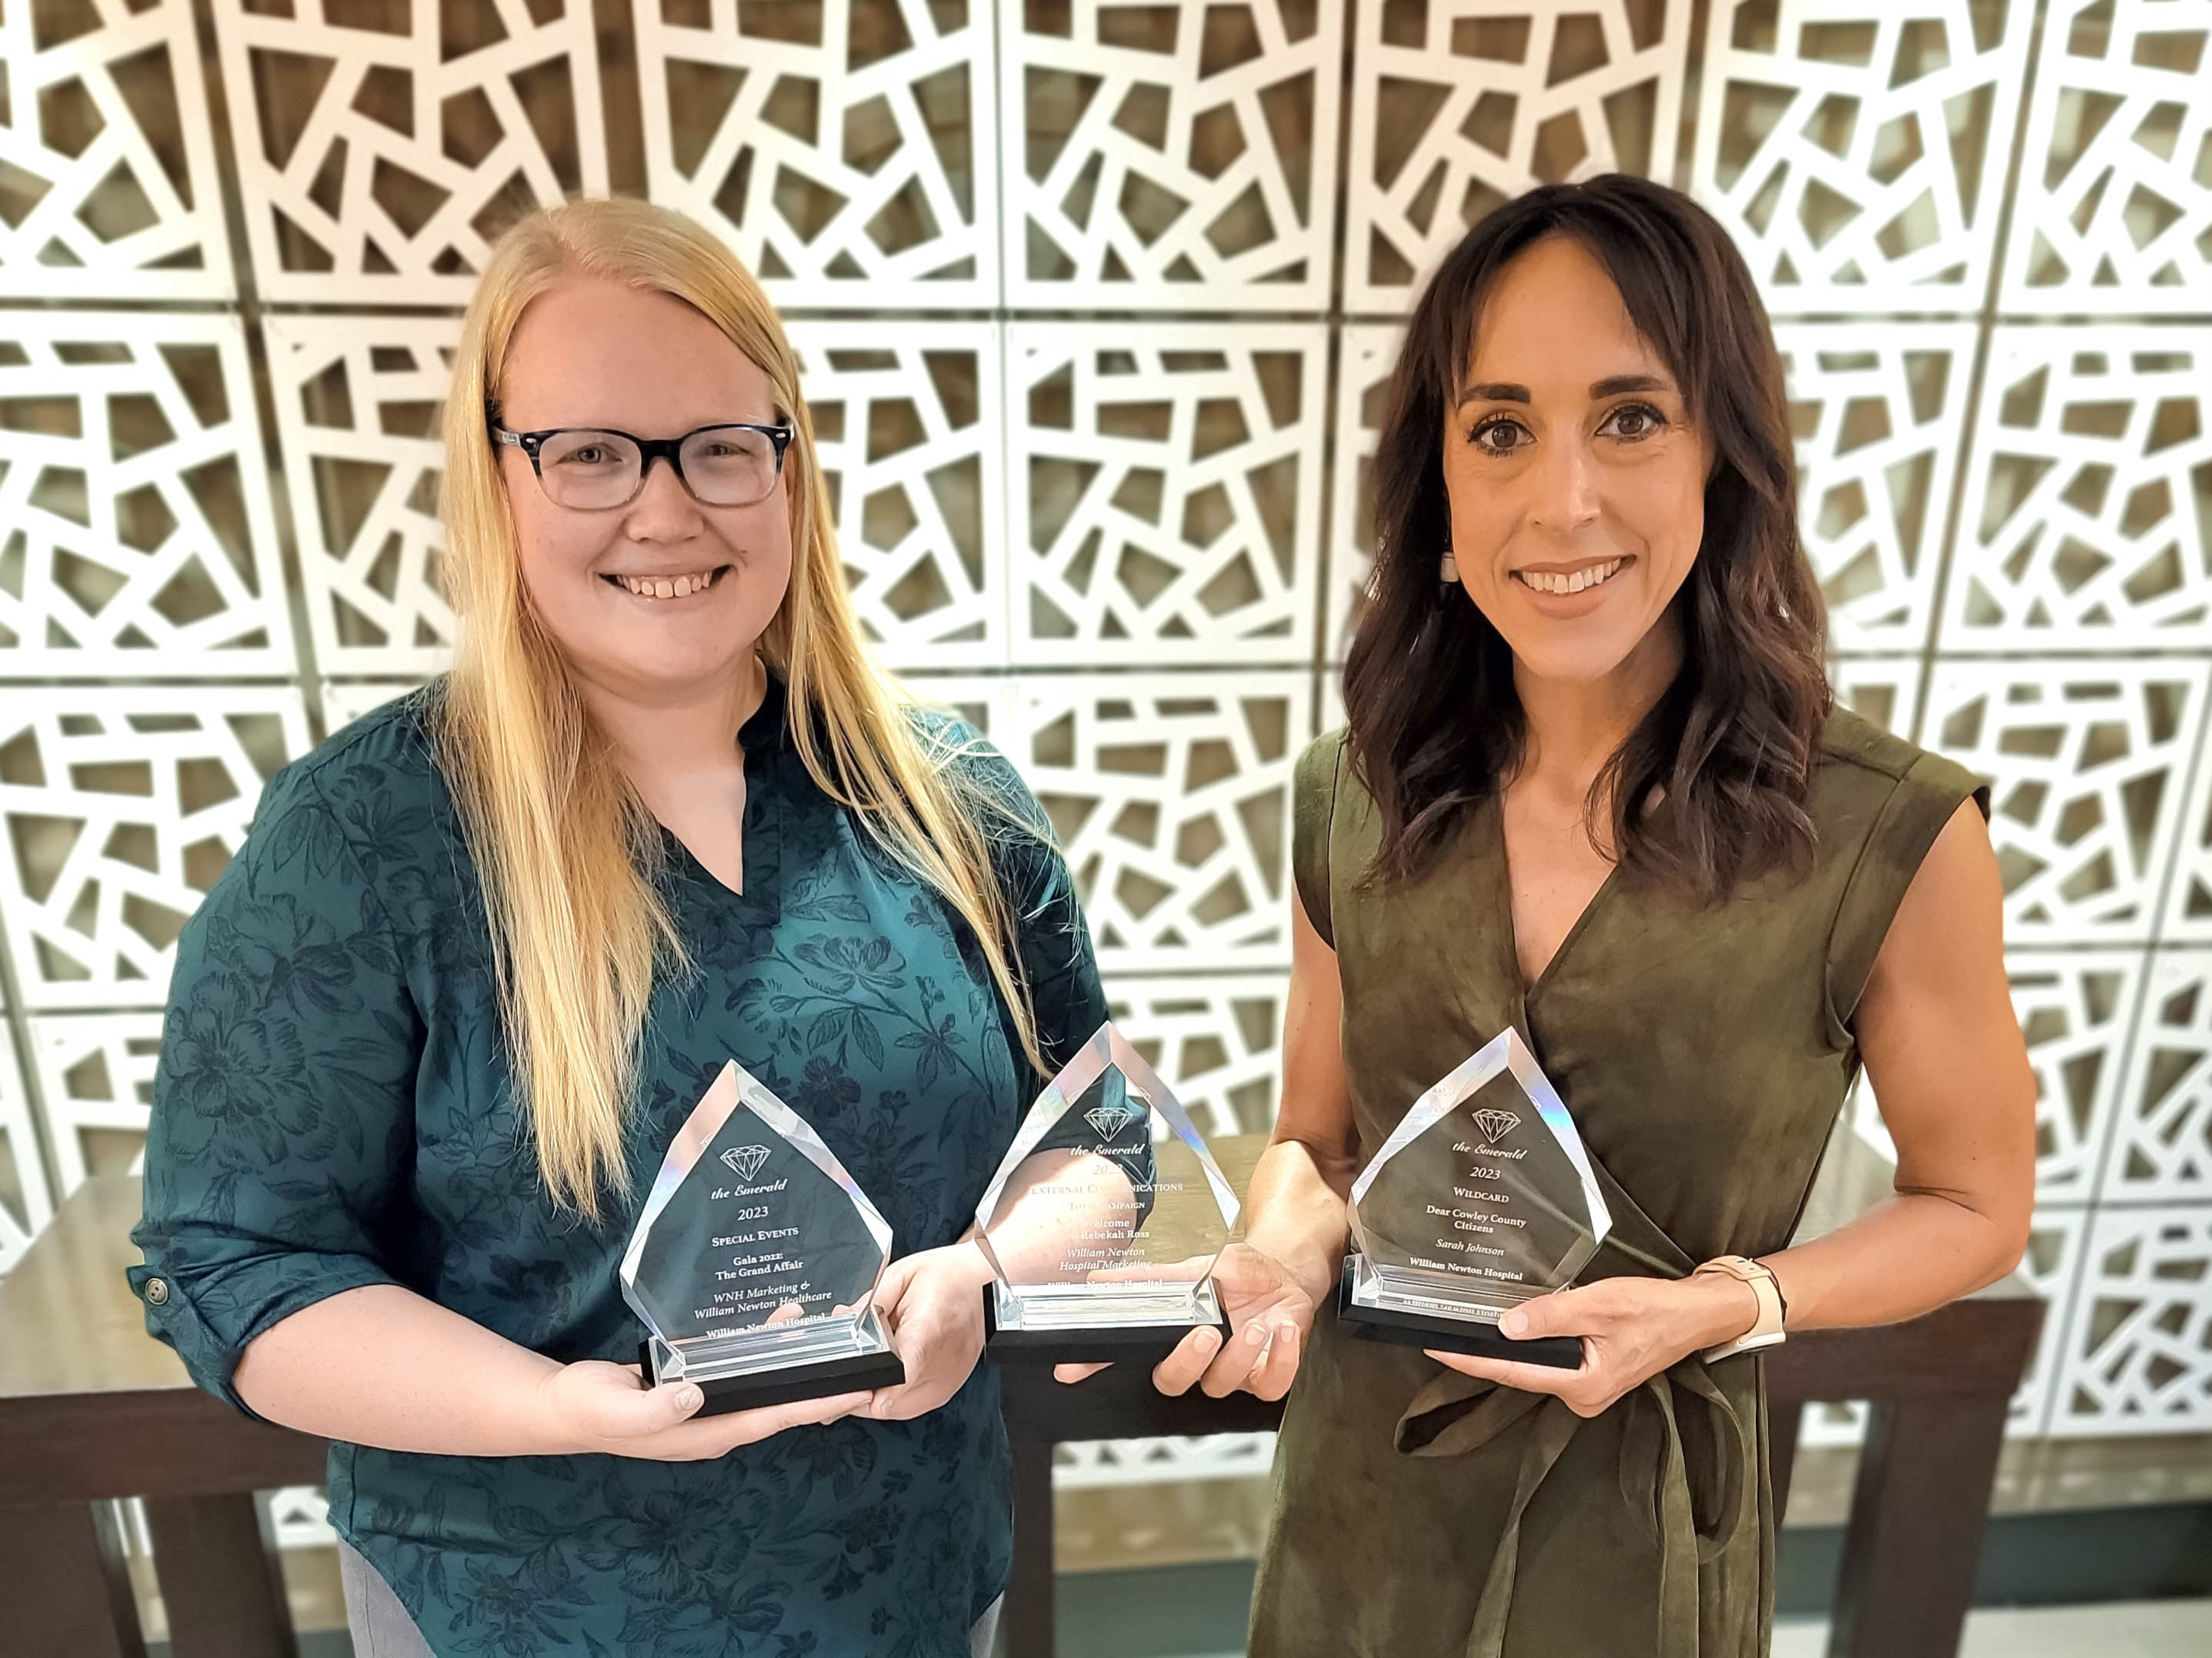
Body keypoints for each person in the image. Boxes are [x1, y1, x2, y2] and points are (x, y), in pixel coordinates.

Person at [128, 197, 1105, 1657]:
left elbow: (1096, 1138)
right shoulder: (363, 840)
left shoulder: (950, 799)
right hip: (521, 1607)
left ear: (791, 466)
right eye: (588, 454)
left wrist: (993, 1273)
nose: (666, 510)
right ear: (499, 474)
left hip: (908, 1586)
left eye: (723, 446)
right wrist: (553, 1409)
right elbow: (241, 1262)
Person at [1110, 176, 2038, 1656]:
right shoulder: (1353, 793)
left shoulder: (1887, 830)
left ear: (1723, 454)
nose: (1564, 501)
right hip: (1364, 1513)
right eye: (1500, 431)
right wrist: (1281, 1250)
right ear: (1442, 494)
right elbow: (1323, 1139)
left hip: (1639, 1541)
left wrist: (1719, 1305)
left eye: (1630, 417)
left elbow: (1979, 1206)